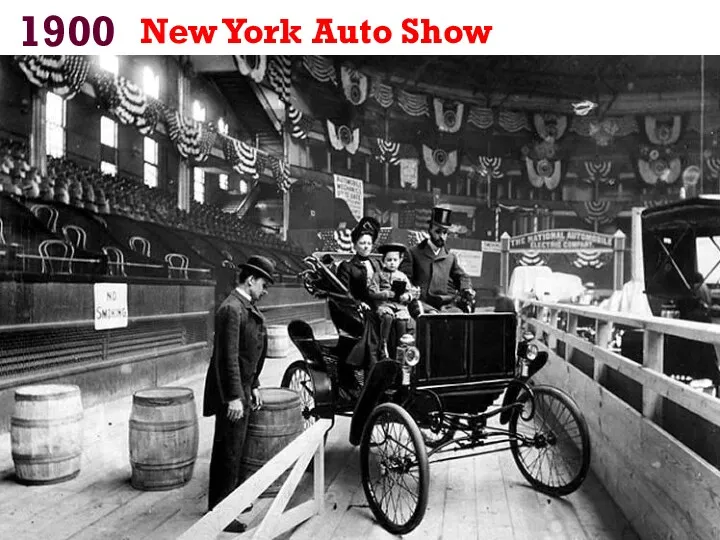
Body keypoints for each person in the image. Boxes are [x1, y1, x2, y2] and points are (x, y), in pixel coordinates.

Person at [203, 255, 276, 533]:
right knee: (227, 452)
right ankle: (219, 512)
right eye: (263, 285)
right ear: (251, 280)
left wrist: (254, 384)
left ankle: (230, 501)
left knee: (235, 449)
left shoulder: (242, 306)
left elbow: (248, 354)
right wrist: (234, 396)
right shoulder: (231, 309)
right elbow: (228, 358)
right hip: (230, 391)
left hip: (243, 387)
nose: (265, 291)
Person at [401, 207, 474, 314]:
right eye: (438, 232)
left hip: (446, 304)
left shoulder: (450, 257)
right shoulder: (413, 253)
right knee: (432, 317)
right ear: (429, 230)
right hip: (423, 303)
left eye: (445, 233)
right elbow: (405, 278)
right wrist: (411, 291)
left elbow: (462, 276)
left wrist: (466, 289)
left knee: (457, 316)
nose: (442, 237)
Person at [368, 243, 419, 358]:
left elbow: (410, 291)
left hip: (400, 306)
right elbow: (372, 292)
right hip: (385, 304)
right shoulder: (379, 275)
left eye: (395, 260)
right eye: (389, 260)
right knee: (387, 317)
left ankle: (401, 348)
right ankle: (383, 345)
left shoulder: (402, 276)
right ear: (383, 261)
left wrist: (407, 297)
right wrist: (386, 294)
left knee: (402, 321)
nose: (392, 262)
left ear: (400, 261)